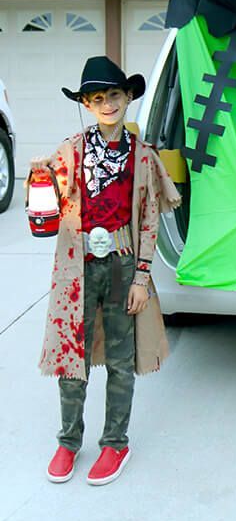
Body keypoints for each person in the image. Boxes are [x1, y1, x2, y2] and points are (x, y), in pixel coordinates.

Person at [32, 56, 181, 486]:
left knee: (119, 357)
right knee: (71, 357)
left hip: (120, 265)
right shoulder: (71, 150)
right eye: (97, 98)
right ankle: (68, 440)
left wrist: (141, 277)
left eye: (114, 94)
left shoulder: (142, 156)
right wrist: (43, 173)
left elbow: (150, 218)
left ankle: (115, 442)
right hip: (78, 268)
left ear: (128, 96)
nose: (107, 104)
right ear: (86, 104)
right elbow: (53, 194)